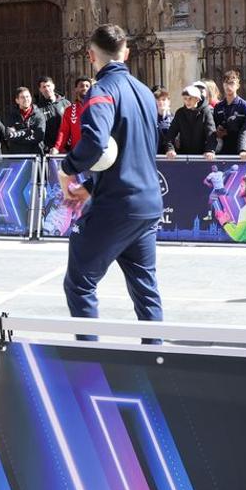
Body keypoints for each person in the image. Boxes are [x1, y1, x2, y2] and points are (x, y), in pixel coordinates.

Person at [57, 24, 164, 340]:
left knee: (79, 282)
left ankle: (91, 364)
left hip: (117, 206)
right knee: (146, 290)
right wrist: (90, 186)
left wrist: (67, 170)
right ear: (126, 53)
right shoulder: (145, 92)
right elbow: (134, 149)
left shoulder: (101, 91)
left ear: (91, 56)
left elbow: (95, 143)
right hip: (148, 203)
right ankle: (157, 357)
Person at [165, 83, 216, 159]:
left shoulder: (206, 112)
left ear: (197, 99)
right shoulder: (180, 113)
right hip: (183, 156)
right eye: (185, 99)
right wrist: (170, 149)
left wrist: (210, 150)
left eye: (190, 98)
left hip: (202, 157)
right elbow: (170, 134)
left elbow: (211, 134)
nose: (187, 101)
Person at [49, 77, 92, 155]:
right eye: (81, 86)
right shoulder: (69, 110)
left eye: (87, 86)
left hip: (95, 151)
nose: (84, 88)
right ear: (76, 89)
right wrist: (57, 148)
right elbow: (64, 131)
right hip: (77, 152)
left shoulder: (98, 106)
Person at [212, 70, 246, 154]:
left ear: (238, 85)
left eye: (232, 83)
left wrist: (229, 132)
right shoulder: (218, 106)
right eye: (226, 83)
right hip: (221, 151)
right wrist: (217, 132)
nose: (228, 86)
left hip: (238, 151)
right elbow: (212, 127)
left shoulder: (244, 106)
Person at [216, 174, 246, 243]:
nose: (239, 189)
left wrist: (224, 223)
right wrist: (229, 222)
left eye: (242, 186)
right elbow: (244, 235)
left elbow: (237, 236)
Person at [3, 87, 46, 156]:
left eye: (27, 96)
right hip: (16, 156)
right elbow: (9, 135)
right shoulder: (11, 115)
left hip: (35, 157)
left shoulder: (39, 115)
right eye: (22, 97)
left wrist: (17, 136)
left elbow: (39, 137)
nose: (26, 99)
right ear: (17, 100)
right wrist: (28, 132)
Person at [35, 76, 71, 152]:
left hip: (67, 148)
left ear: (53, 86)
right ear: (40, 90)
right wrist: (46, 148)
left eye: (48, 86)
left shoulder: (66, 104)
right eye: (44, 87)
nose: (47, 89)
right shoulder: (37, 108)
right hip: (49, 151)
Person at [154, 88, 174, 155]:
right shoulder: (151, 119)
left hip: (170, 156)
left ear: (169, 101)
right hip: (155, 155)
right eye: (158, 100)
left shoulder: (174, 119)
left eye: (163, 99)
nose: (161, 102)